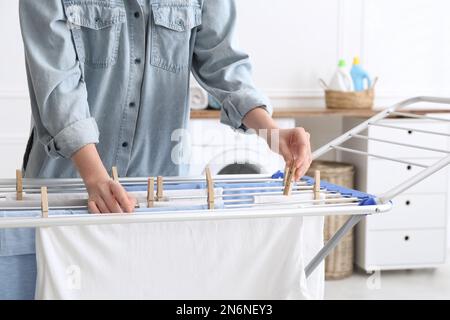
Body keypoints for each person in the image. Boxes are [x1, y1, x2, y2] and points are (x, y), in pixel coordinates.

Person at [19, 0, 312, 213]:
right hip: (68, 188)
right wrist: (95, 176)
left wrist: (273, 133)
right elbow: (57, 83)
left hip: (161, 191)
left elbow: (224, 64)